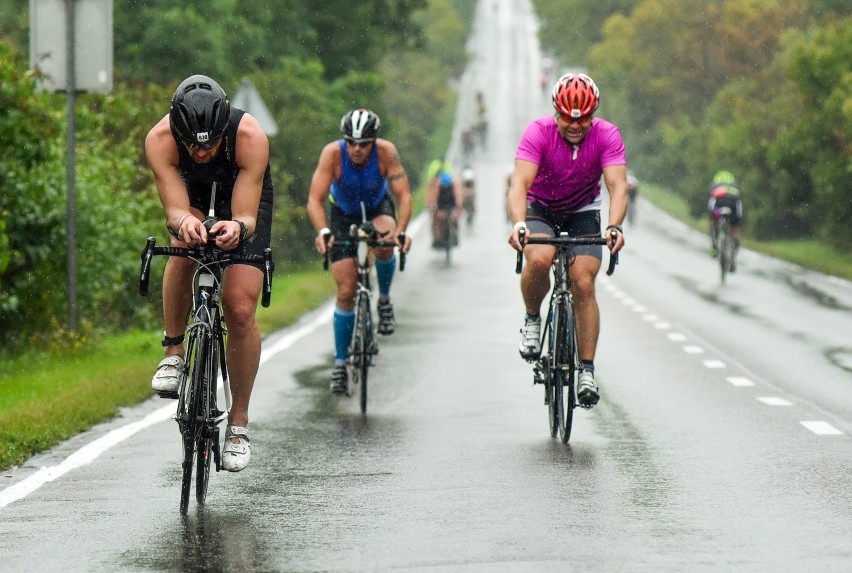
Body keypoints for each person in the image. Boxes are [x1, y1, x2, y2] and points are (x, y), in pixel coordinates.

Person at [145, 74, 273, 472]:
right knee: (185, 245)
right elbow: (174, 208)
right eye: (192, 145)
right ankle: (173, 352)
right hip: (192, 198)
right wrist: (184, 221)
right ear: (177, 131)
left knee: (238, 308)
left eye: (211, 144)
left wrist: (238, 227)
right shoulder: (160, 140)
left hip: (243, 197)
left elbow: (247, 215)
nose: (202, 152)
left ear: (223, 129)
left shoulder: (250, 136)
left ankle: (238, 423)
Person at [507, 73, 627, 408]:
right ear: (556, 111)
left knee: (584, 283)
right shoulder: (538, 132)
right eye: (567, 118)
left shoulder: (607, 135)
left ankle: (586, 370)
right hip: (541, 207)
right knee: (541, 259)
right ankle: (533, 317)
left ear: (594, 114)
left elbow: (618, 186)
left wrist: (614, 226)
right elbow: (519, 183)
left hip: (583, 212)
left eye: (584, 118)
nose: (575, 125)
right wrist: (518, 223)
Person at [307, 109, 413, 393]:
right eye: (351, 142)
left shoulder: (386, 152)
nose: (356, 148)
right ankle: (340, 364)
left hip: (378, 209)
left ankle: (385, 300)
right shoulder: (332, 153)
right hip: (342, 215)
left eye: (363, 143)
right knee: (346, 290)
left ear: (374, 141)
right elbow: (314, 200)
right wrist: (323, 231)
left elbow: (403, 196)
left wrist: (401, 231)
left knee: (385, 240)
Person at [707, 170, 743, 261]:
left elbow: (711, 197)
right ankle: (734, 251)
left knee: (713, 220)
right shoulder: (734, 184)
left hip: (719, 201)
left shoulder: (716, 181)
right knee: (735, 227)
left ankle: (714, 246)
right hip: (734, 202)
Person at [426, 160, 463, 247]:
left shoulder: (454, 183)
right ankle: (436, 237)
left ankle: (455, 234)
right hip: (441, 203)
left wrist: (458, 208)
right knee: (437, 219)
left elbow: (458, 197)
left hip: (451, 203)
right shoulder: (438, 184)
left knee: (455, 219)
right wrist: (433, 207)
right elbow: (434, 197)